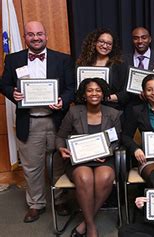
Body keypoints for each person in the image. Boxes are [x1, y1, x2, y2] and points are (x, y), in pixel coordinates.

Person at [1, 21, 75, 222]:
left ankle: (59, 201)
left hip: (57, 121)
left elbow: (72, 87)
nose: (36, 38)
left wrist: (63, 101)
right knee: (31, 166)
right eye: (31, 34)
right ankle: (36, 204)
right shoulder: (14, 59)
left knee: (59, 163)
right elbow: (4, 83)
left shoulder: (63, 59)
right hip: (30, 121)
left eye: (39, 33)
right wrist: (12, 93)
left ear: (46, 35)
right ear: (25, 37)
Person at [56, 78, 122, 237]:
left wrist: (108, 152)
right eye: (90, 90)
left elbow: (116, 141)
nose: (94, 93)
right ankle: (91, 226)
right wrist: (61, 149)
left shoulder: (113, 114)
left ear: (103, 93)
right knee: (85, 178)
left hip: (104, 159)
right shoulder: (73, 112)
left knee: (105, 177)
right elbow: (60, 137)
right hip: (79, 160)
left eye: (98, 90)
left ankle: (84, 222)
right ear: (84, 94)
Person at [76, 28, 129, 110]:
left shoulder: (119, 65)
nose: (105, 46)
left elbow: (125, 93)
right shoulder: (83, 64)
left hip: (111, 110)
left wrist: (105, 98)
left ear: (113, 46)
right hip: (86, 109)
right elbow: (76, 89)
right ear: (94, 42)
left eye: (109, 44)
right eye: (101, 41)